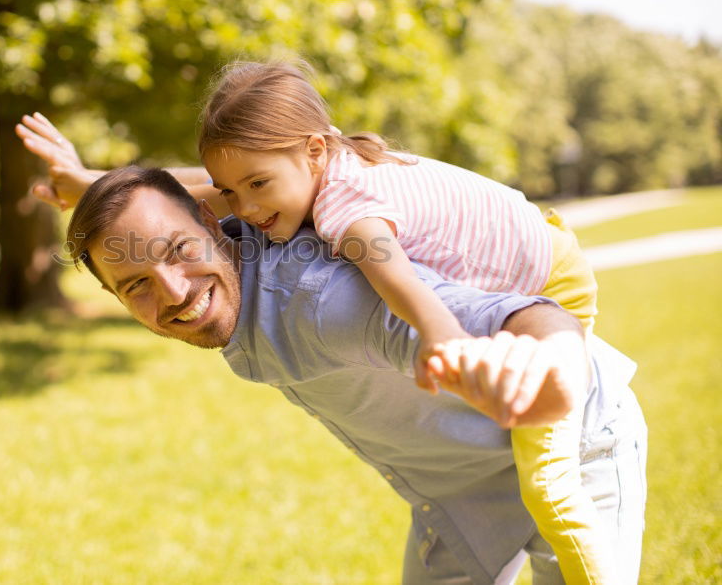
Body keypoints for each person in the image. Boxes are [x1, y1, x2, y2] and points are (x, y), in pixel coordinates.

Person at [17, 123, 646, 582]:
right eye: (137, 286)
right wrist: (89, 184)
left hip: (574, 446)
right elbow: (182, 198)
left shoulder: (323, 299)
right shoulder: (243, 229)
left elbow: (532, 317)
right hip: (459, 495)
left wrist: (547, 374)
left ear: (213, 225)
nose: (175, 294)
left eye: (180, 253)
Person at [193, 60, 611, 583]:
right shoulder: (336, 157)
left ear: (315, 150)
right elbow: (212, 181)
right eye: (230, 192)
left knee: (549, 485)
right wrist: (94, 186)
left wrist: (443, 337)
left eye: (257, 184)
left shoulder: (346, 209)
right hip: (542, 239)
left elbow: (398, 281)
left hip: (549, 285)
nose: (245, 207)